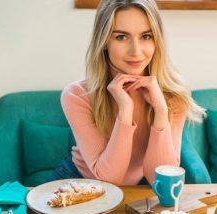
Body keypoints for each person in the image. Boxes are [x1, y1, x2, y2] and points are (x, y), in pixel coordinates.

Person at [51, 0, 205, 186]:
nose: (136, 51)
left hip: (137, 186)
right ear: (104, 41)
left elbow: (160, 179)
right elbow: (107, 177)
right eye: (121, 37)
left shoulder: (173, 94)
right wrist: (125, 110)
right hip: (79, 180)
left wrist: (161, 110)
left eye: (146, 36)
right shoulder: (76, 95)